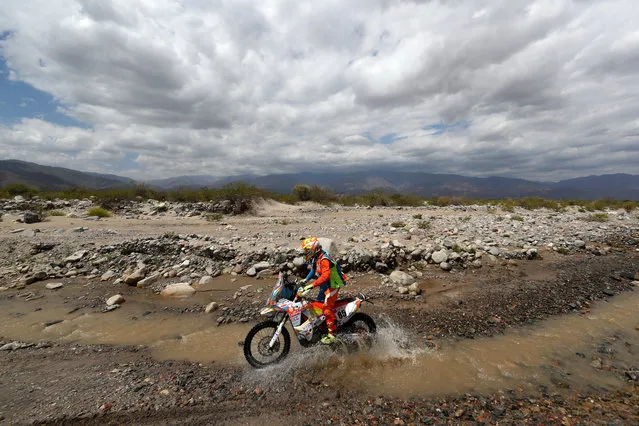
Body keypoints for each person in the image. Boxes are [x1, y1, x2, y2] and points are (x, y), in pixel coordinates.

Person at [297, 237, 348, 344]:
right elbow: (314, 270)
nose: (306, 253)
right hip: (326, 285)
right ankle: (321, 327)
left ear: (314, 249)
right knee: (317, 305)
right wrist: (305, 280)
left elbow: (325, 276)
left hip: (333, 285)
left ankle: (332, 334)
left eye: (307, 250)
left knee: (326, 308)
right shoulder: (317, 257)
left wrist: (310, 286)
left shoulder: (324, 259)